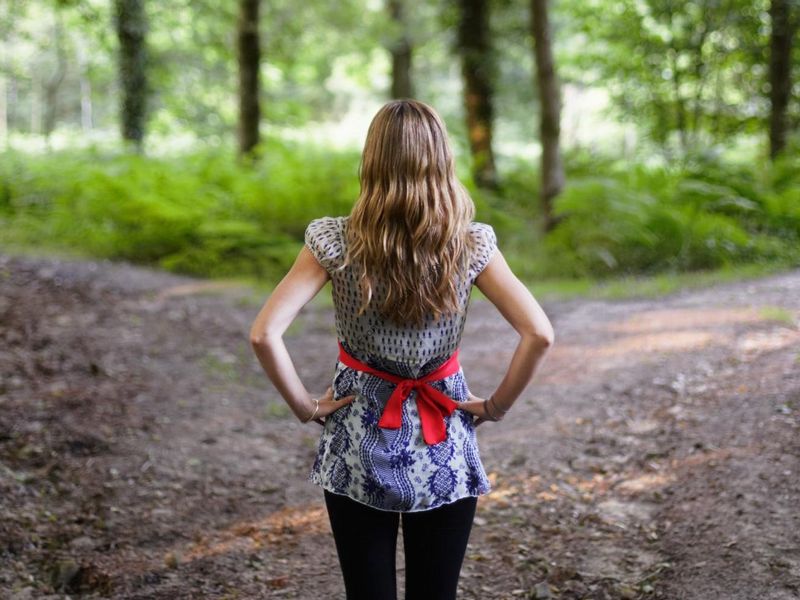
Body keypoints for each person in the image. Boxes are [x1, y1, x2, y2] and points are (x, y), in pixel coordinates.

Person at [249, 99, 554, 600]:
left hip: (357, 437)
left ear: (371, 160)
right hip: (444, 438)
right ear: (443, 160)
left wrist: (305, 406)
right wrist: (495, 407)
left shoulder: (333, 241)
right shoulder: (470, 243)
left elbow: (264, 334)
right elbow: (539, 333)